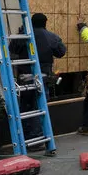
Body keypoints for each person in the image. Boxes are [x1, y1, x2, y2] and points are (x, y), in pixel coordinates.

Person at [9, 13, 66, 150]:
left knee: (25, 107)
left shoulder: (23, 36)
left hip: (23, 77)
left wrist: (20, 32)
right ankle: (37, 139)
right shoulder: (51, 37)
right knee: (39, 108)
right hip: (42, 77)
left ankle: (25, 137)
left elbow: (12, 49)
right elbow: (61, 52)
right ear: (45, 23)